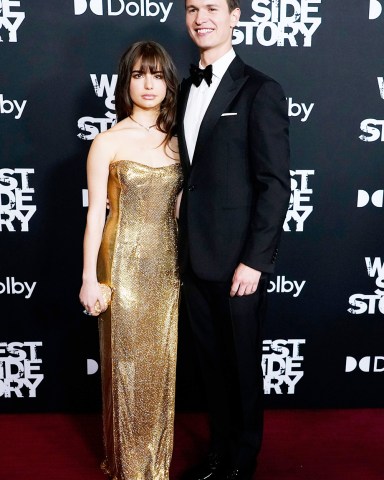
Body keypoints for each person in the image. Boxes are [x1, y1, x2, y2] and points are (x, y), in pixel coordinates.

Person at [177, 1, 291, 479]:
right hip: (193, 255)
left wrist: (255, 261)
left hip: (239, 261)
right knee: (210, 368)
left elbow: (275, 183)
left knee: (242, 368)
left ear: (235, 16)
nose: (202, 17)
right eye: (192, 8)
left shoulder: (260, 89)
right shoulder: (182, 88)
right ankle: (219, 455)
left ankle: (242, 463)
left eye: (212, 8)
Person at [79, 41, 182, 480]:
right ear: (126, 82)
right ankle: (128, 469)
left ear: (168, 83)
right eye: (139, 75)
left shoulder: (181, 141)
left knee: (162, 368)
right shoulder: (107, 141)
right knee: (124, 367)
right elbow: (95, 213)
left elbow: (181, 210)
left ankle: (156, 467)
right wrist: (89, 279)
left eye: (157, 75)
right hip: (120, 264)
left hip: (169, 266)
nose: (148, 84)